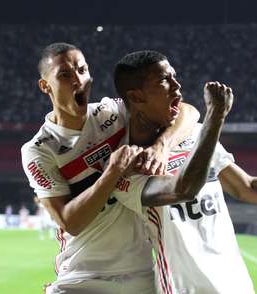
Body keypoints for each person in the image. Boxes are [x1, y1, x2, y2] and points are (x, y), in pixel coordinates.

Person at [111, 50, 257, 294]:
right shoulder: (125, 165)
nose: (176, 84)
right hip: (184, 288)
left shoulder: (195, 135)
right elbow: (183, 190)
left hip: (236, 285)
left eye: (174, 76)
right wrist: (215, 118)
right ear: (136, 96)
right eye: (164, 80)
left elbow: (247, 188)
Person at [21, 42, 199, 293]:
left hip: (141, 277)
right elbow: (69, 221)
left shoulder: (112, 112)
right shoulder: (39, 149)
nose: (77, 80)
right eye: (64, 75)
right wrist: (113, 171)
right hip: (81, 278)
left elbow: (187, 111)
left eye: (82, 70)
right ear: (45, 85)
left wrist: (162, 146)